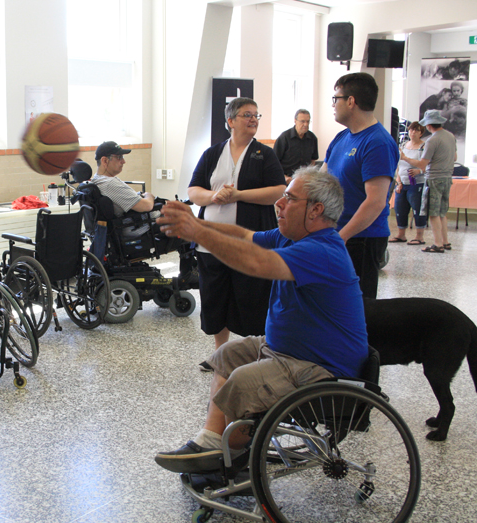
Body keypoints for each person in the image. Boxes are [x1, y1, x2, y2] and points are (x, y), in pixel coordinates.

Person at [154, 167, 368, 473]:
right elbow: (244, 236)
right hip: (289, 352)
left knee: (244, 380)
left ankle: (234, 459)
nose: (278, 204)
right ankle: (212, 443)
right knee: (227, 354)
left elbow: (256, 261)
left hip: (320, 368)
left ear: (316, 210)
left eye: (289, 198)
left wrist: (196, 232)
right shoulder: (289, 237)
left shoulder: (323, 250)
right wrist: (196, 222)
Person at [188, 97, 285, 350]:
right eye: (246, 115)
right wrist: (212, 196)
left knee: (251, 296)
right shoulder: (212, 154)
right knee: (215, 297)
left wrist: (239, 195)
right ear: (230, 121)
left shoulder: (265, 154)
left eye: (256, 115)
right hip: (212, 244)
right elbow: (194, 190)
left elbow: (278, 191)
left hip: (249, 242)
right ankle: (221, 352)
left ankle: (255, 351)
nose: (253, 119)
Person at [322, 72, 399, 299]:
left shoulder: (378, 143)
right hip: (334, 234)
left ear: (351, 101)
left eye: (336, 98)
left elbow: (375, 202)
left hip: (361, 239)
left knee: (358, 310)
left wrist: (342, 237)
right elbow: (320, 181)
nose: (333, 105)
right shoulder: (341, 138)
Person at [400, 110, 457, 253]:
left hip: (434, 179)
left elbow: (421, 165)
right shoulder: (450, 136)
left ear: (429, 124)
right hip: (446, 178)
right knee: (442, 212)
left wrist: (405, 158)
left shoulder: (432, 140)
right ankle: (445, 241)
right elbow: (454, 157)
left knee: (433, 213)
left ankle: (437, 244)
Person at [90, 141, 155, 237]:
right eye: (119, 157)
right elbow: (146, 206)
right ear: (104, 161)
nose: (123, 161)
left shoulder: (97, 180)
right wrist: (149, 196)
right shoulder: (109, 184)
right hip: (133, 227)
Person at [390, 121, 427, 245]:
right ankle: (401, 234)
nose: (413, 132)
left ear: (421, 133)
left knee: (417, 209)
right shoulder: (404, 145)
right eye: (411, 130)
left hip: (417, 183)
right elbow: (398, 165)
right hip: (403, 181)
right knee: (400, 208)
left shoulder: (424, 147)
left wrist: (418, 171)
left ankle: (419, 236)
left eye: (416, 130)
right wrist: (398, 181)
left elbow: (426, 166)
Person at [272, 109, 319, 182]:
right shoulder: (284, 138)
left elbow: (313, 160)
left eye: (308, 121)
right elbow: (274, 162)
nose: (306, 124)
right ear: (295, 121)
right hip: (286, 179)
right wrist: (284, 177)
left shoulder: (312, 138)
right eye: (302, 121)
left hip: (305, 180)